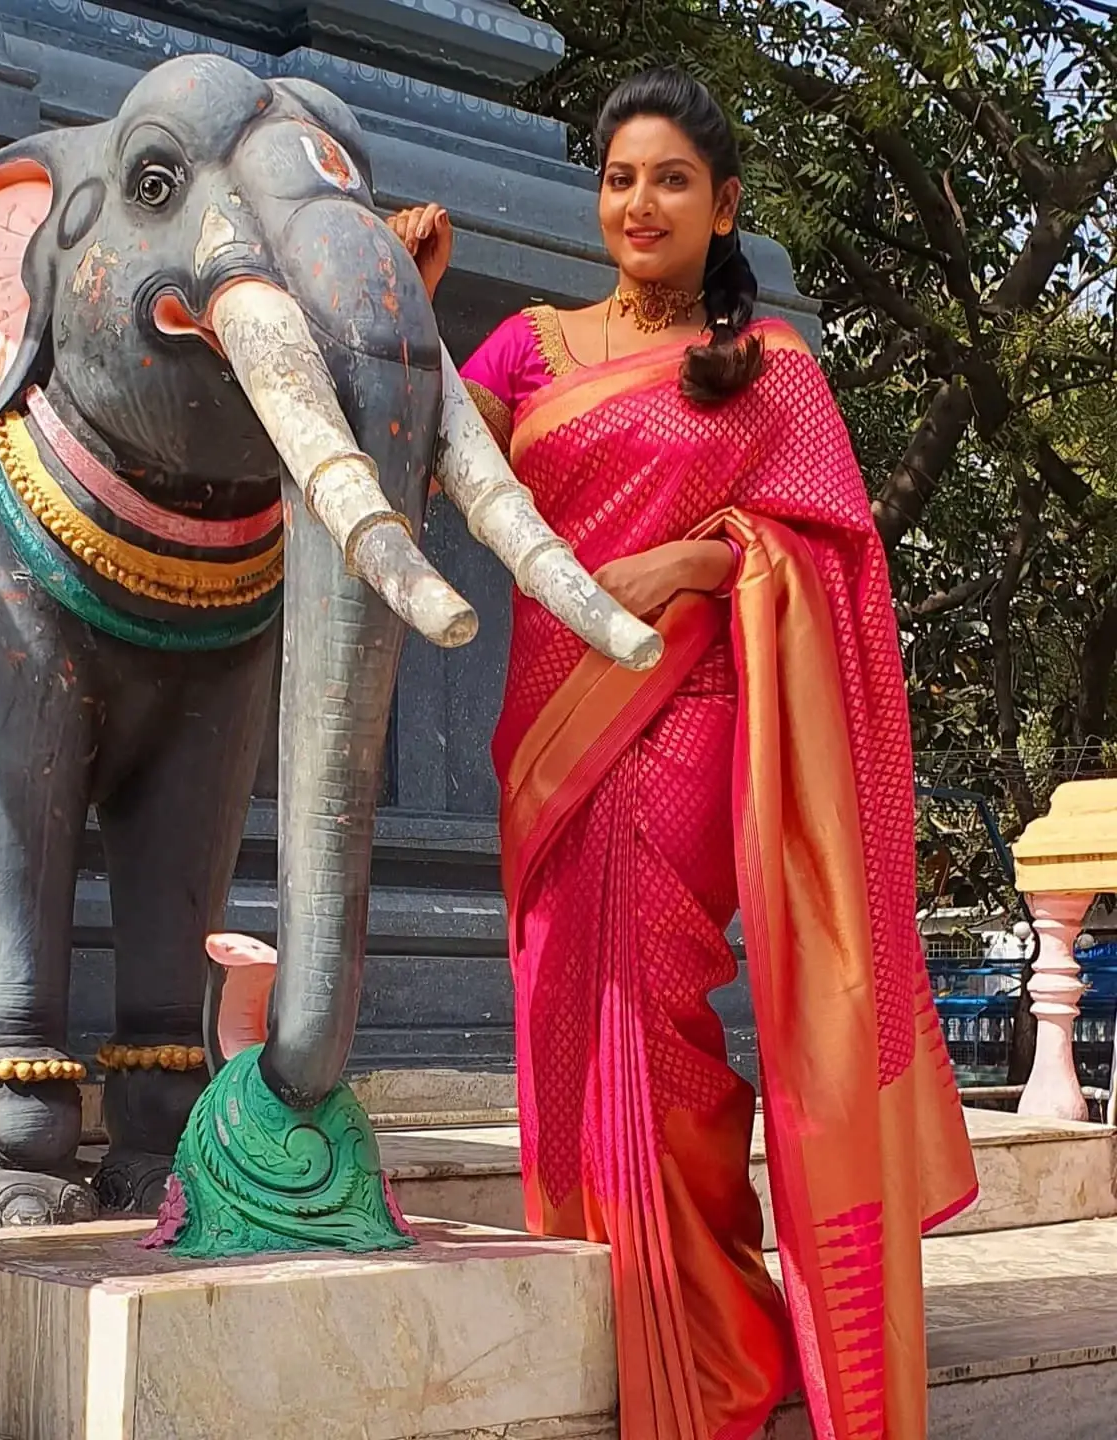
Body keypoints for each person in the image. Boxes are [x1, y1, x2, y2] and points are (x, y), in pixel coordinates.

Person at [387, 68, 977, 1440]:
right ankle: (618, 1297)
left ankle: (711, 1343)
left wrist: (708, 554)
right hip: (547, 722)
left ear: (725, 207)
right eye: (618, 177)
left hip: (688, 713)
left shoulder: (771, 369)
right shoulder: (527, 344)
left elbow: (835, 551)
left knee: (650, 1005)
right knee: (556, 1006)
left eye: (668, 179)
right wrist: (403, 311)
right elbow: (423, 459)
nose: (637, 202)